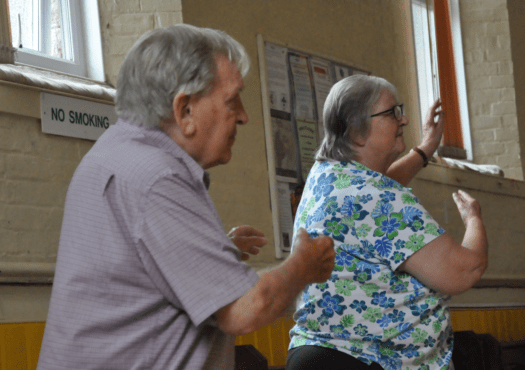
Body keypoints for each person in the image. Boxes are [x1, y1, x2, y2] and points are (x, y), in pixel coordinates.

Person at [37, 24, 336, 370]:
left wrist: (214, 251)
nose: (243, 115)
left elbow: (136, 270)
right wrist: (303, 265)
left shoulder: (114, 152)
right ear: (185, 110)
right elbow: (245, 309)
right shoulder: (156, 178)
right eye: (231, 99)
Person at [286, 75, 488, 370]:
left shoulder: (329, 176)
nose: (403, 119)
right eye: (392, 112)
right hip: (366, 359)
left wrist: (426, 148)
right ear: (357, 132)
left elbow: (380, 190)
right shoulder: (377, 197)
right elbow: (465, 270)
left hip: (319, 353)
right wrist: (474, 219)